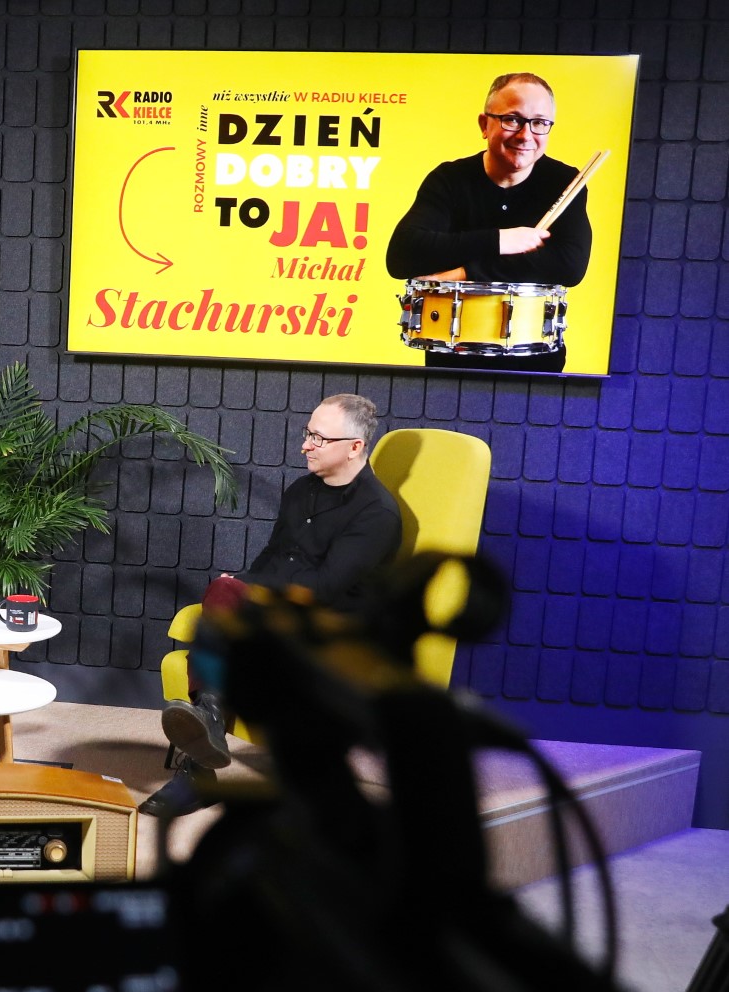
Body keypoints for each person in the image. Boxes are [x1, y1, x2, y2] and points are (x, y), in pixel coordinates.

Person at [141, 394, 402, 817]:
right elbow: (272, 559)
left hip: (329, 629)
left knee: (225, 604)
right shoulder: (300, 491)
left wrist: (250, 591)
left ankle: (203, 747)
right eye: (308, 433)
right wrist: (244, 582)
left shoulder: (377, 513)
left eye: (319, 438)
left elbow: (325, 587)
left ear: (355, 446)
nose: (305, 445)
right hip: (278, 615)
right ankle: (208, 724)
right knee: (223, 596)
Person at [385, 72, 593, 374]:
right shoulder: (450, 179)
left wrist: (466, 273)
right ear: (485, 125)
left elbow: (569, 265)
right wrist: (500, 240)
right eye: (512, 120)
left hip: (535, 361)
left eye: (539, 123)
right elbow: (403, 254)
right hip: (452, 359)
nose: (525, 135)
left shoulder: (565, 182)